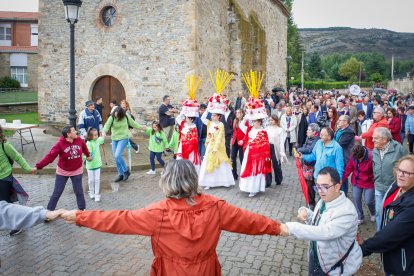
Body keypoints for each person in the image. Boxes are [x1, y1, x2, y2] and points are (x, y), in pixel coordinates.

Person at [61, 159, 281, 275]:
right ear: (193, 180)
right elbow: (251, 221)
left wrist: (81, 217)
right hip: (205, 270)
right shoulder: (216, 206)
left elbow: (118, 219)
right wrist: (278, 227)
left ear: (167, 181)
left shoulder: (158, 213)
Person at [280, 167, 362, 275]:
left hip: (334, 269)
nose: (320, 191)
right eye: (318, 186)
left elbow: (324, 232)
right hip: (317, 259)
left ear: (337, 187)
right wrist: (307, 214)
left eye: (325, 187)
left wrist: (291, 228)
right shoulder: (325, 200)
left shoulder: (346, 212)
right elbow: (318, 221)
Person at [361, 155, 414, 276]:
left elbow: (391, 234)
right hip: (389, 253)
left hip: (403, 264)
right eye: (399, 170)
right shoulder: (396, 186)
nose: (400, 174)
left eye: (406, 173)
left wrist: (361, 249)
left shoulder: (412, 205)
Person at [34, 126, 91, 213]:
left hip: (77, 171)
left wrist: (88, 155)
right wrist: (38, 166)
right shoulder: (59, 144)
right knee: (57, 192)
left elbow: (84, 148)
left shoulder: (79, 140)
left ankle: (82, 210)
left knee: (79, 191)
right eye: (73, 131)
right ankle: (49, 212)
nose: (76, 132)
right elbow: (50, 157)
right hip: (63, 172)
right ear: (68, 134)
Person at [0, 125, 36, 236]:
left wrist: (28, 169)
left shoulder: (4, 145)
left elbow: (17, 157)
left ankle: (18, 225)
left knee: (7, 204)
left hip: (4, 179)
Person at [372, 127, 407, 229]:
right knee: (379, 212)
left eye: (375, 138)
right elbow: (374, 165)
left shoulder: (399, 149)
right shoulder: (375, 149)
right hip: (379, 186)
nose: (373, 140)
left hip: (393, 188)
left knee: (391, 214)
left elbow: (407, 165)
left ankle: (389, 233)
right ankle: (380, 234)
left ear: (384, 139)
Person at [102, 106, 143, 182]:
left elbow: (133, 123)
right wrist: (104, 133)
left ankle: (126, 171)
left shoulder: (126, 117)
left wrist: (142, 127)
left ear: (121, 114)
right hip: (114, 138)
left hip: (124, 137)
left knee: (117, 155)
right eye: (115, 114)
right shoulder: (112, 117)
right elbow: (106, 126)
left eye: (117, 115)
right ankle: (120, 174)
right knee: (116, 157)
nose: (116, 116)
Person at [199, 110, 235, 189]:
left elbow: (219, 137)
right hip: (210, 146)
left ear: (219, 116)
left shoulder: (220, 124)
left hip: (218, 147)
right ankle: (209, 182)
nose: (212, 117)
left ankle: (222, 181)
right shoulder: (210, 123)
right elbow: (202, 118)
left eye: (214, 115)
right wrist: (208, 108)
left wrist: (215, 147)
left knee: (220, 163)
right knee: (209, 162)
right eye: (212, 115)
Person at [342, 144, 375, 225]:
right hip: (357, 181)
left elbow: (376, 171)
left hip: (369, 181)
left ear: (364, 154)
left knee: (368, 200)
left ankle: (373, 212)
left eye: (360, 159)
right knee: (356, 198)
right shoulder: (353, 155)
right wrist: (341, 180)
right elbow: (348, 169)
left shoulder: (372, 157)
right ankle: (360, 216)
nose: (359, 160)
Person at [239, 118, 272, 197]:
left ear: (260, 122)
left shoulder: (263, 131)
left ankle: (254, 189)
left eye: (255, 121)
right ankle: (247, 187)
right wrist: (246, 117)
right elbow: (241, 125)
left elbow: (265, 143)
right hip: (249, 152)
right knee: (247, 168)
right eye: (253, 121)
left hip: (258, 154)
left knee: (255, 171)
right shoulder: (249, 129)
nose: (253, 123)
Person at [296, 123, 320, 210]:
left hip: (311, 165)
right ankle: (309, 200)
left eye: (309, 130)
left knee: (310, 185)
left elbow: (309, 150)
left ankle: (312, 203)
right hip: (305, 163)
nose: (307, 131)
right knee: (306, 184)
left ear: (314, 132)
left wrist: (299, 150)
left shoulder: (317, 140)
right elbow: (305, 146)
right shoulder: (309, 138)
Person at [334, 115, 355, 195]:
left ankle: (344, 194)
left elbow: (340, 144)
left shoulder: (349, 132)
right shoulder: (339, 129)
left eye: (340, 120)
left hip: (344, 157)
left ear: (345, 122)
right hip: (337, 156)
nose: (338, 121)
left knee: (343, 177)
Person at [265, 114, 286, 187]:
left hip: (275, 147)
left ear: (276, 120)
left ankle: (278, 179)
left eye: (272, 120)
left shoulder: (280, 130)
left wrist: (281, 152)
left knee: (276, 164)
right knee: (267, 163)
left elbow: (281, 142)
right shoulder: (267, 129)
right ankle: (268, 181)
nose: (271, 121)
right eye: (270, 120)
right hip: (268, 147)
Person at [85, 128, 104, 202]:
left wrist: (103, 133)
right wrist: (88, 157)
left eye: (97, 135)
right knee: (91, 180)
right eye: (95, 135)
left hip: (97, 165)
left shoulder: (98, 140)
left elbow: (102, 139)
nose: (97, 136)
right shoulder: (88, 143)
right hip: (90, 165)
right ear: (90, 136)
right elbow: (86, 154)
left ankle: (97, 194)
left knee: (97, 180)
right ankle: (91, 192)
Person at [230, 109, 247, 180]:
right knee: (233, 158)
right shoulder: (235, 121)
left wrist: (243, 140)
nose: (237, 114)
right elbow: (234, 131)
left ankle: (244, 173)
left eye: (239, 113)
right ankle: (234, 174)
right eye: (236, 113)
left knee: (242, 158)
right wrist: (232, 138)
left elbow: (247, 133)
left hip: (242, 142)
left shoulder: (245, 122)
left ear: (242, 113)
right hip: (235, 141)